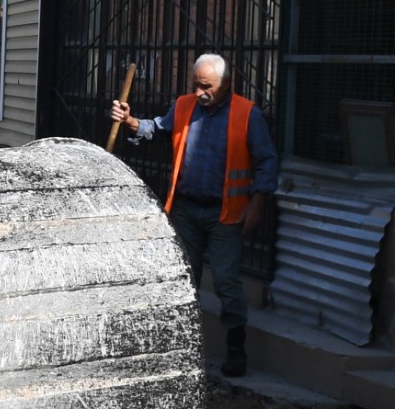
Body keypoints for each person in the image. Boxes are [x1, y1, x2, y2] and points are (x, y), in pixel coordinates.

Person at [109, 54, 279, 377]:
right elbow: (156, 128)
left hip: (226, 212)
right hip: (186, 209)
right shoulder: (184, 106)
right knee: (185, 278)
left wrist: (257, 203)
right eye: (196, 85)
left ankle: (235, 348)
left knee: (226, 280)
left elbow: (266, 162)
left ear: (226, 84)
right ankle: (182, 345)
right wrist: (130, 121)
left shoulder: (247, 114)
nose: (200, 92)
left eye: (206, 86)